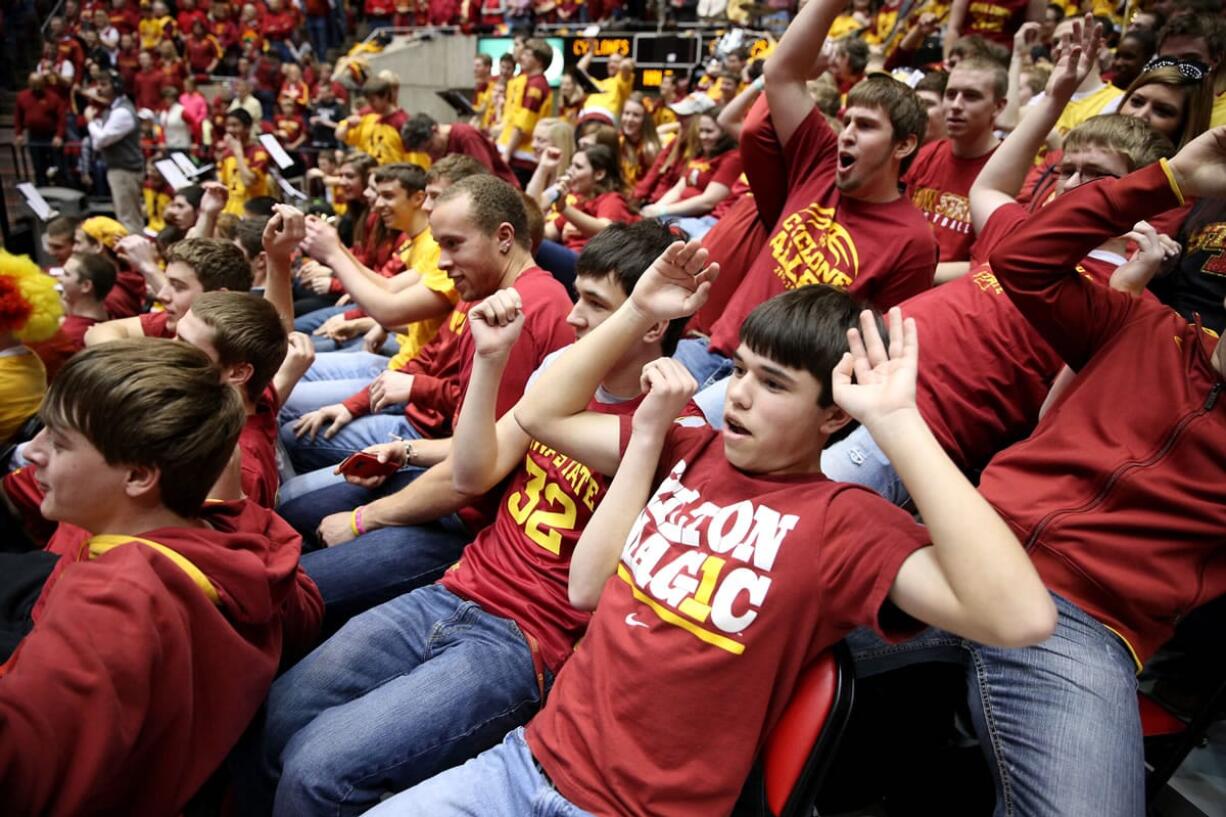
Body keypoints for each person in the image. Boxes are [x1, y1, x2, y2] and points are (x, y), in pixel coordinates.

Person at [361, 226, 1057, 816]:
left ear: (837, 412)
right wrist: (636, 317)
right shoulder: (691, 443)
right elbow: (549, 439)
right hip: (524, 759)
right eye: (745, 371)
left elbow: (1019, 617)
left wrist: (900, 421)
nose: (744, 397)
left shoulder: (843, 523)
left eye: (776, 384)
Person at [238, 221, 691, 816]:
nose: (576, 317)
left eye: (597, 305)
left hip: (524, 641)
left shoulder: (673, 433)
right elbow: (473, 473)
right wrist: (491, 360)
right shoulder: (559, 382)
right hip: (457, 587)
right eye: (577, 296)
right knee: (278, 711)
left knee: (315, 771)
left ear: (650, 321)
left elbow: (595, 589)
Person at [0, 339, 323, 816]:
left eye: (60, 441)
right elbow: (304, 612)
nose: (32, 452)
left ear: (138, 476)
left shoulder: (111, 602)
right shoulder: (231, 534)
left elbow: (20, 771)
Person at [672, 0, 936, 392]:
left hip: (774, 389)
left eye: (865, 126)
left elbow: (878, 351)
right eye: (847, 121)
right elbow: (780, 73)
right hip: (714, 348)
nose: (847, 133)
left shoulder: (913, 240)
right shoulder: (822, 161)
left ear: (903, 145)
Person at [278, 174, 574, 480]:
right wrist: (353, 406)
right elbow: (429, 349)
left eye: (453, 244)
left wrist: (364, 518)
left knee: (290, 452)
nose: (443, 261)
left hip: (437, 441)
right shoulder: (480, 287)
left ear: (503, 237)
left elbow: (478, 459)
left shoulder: (515, 310)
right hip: (417, 411)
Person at [904, 57, 1007, 282]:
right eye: (951, 95)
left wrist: (907, 269)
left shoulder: (1009, 172)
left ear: (999, 106)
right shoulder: (926, 155)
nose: (956, 105)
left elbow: (995, 265)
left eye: (971, 96)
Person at [85, 237, 254, 342]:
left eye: (178, 287)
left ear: (217, 298)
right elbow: (99, 332)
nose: (161, 295)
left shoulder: (242, 354)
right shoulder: (173, 322)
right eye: (167, 282)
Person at [537, 144, 635, 289]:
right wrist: (543, 170)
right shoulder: (578, 202)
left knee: (536, 246)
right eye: (570, 165)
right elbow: (544, 234)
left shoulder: (612, 199)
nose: (570, 172)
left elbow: (605, 231)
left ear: (599, 174)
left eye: (577, 167)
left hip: (593, 268)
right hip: (572, 262)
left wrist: (563, 208)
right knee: (527, 241)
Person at [639, 109, 741, 239]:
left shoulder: (732, 158)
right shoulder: (700, 153)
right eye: (701, 130)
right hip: (676, 215)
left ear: (724, 134)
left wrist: (664, 210)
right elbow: (678, 188)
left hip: (699, 220)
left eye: (709, 131)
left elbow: (708, 201)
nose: (703, 136)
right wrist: (657, 207)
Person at [85, 75, 145, 234]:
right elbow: (98, 142)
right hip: (119, 169)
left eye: (104, 84)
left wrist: (90, 121)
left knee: (128, 219)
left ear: (117, 87)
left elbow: (101, 140)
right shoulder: (113, 109)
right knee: (126, 216)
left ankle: (134, 255)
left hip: (125, 170)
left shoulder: (122, 112)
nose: (99, 89)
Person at [402, 112, 518, 187]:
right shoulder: (437, 147)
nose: (430, 154)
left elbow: (485, 176)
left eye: (430, 147)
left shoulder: (466, 136)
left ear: (435, 129)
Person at [497, 39, 554, 184]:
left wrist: (507, 154)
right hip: (516, 155)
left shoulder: (536, 85)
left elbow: (522, 126)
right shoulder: (529, 81)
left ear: (539, 61)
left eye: (527, 55)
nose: (521, 57)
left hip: (520, 158)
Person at [336, 76, 411, 166]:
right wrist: (347, 125)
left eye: (373, 100)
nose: (370, 105)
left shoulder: (403, 121)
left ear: (385, 96)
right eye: (368, 101)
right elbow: (339, 135)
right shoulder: (366, 114)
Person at [14, 72, 68, 187]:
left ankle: (59, 188)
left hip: (51, 136)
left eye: (38, 84)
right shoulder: (22, 97)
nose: (36, 87)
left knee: (57, 166)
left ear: (43, 83)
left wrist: (59, 135)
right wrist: (19, 134)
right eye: (33, 84)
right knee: (38, 166)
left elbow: (61, 119)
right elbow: (18, 117)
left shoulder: (53, 98)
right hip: (34, 136)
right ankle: (41, 190)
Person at [56, 252, 116, 352]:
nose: (59, 279)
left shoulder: (69, 336)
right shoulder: (111, 318)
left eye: (66, 274)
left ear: (86, 286)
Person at [218, 109, 272, 217]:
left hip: (252, 212)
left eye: (235, 125)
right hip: (229, 212)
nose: (230, 129)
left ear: (248, 128)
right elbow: (223, 186)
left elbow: (248, 181)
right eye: (228, 125)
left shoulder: (259, 153)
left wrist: (238, 152)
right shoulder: (226, 155)